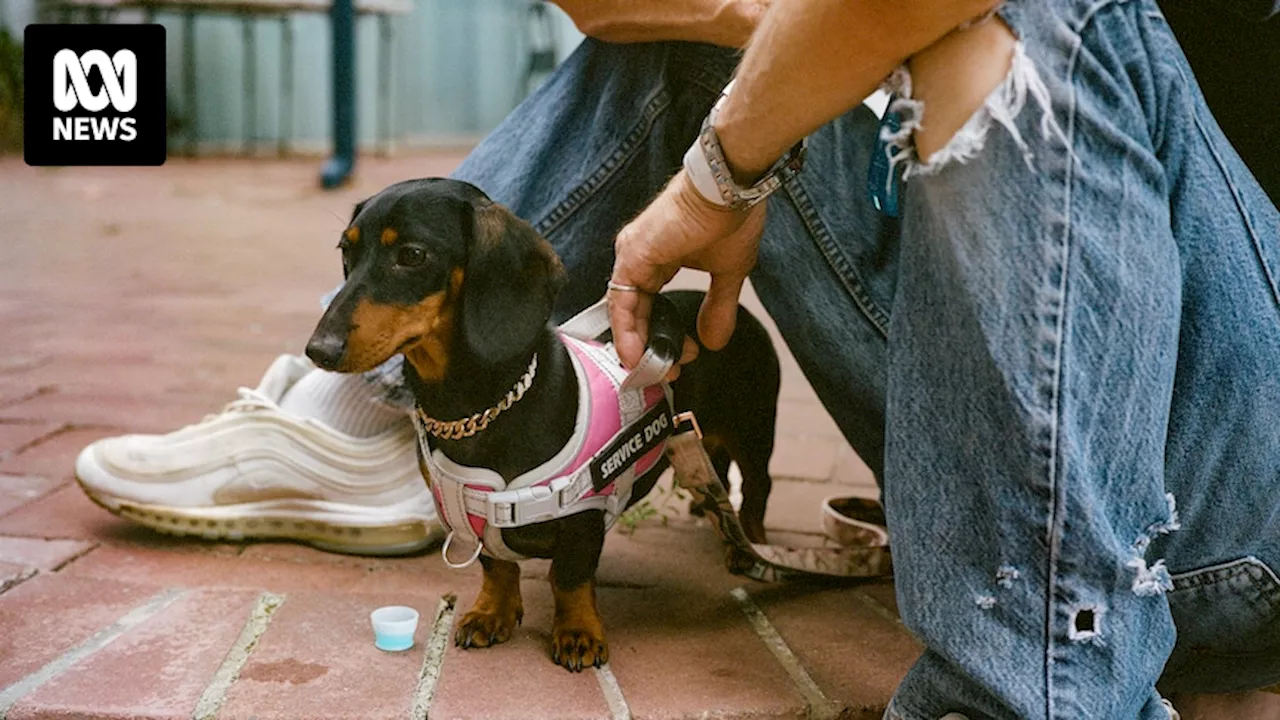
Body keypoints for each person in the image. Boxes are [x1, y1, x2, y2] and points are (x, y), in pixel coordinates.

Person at [74, 0, 1280, 717]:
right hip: (1006, 423)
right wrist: (758, 52)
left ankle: (1035, 683)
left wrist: (720, 167)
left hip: (1227, 505)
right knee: (725, 51)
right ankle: (390, 417)